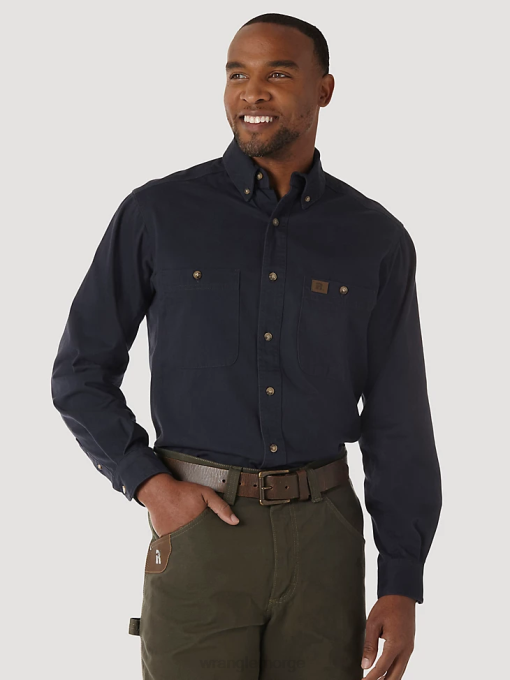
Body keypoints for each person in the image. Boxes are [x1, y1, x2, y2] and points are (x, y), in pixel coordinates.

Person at [51, 12, 442, 680]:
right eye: (237, 74)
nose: (252, 92)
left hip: (325, 542)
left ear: (324, 89)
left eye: (277, 74)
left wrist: (401, 580)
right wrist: (151, 486)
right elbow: (79, 373)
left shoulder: (376, 239)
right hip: (199, 528)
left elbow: (398, 418)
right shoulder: (157, 214)